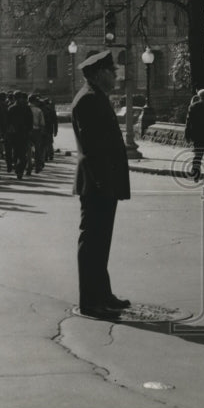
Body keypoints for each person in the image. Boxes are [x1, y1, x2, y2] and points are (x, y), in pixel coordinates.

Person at [70, 50, 131, 319]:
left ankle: (102, 293)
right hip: (97, 181)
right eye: (111, 71)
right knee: (93, 240)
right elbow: (93, 148)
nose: (116, 75)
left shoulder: (96, 97)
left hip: (103, 180)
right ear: (98, 74)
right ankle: (90, 301)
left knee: (101, 240)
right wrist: (102, 183)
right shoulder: (89, 100)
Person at [6, 92, 34, 179]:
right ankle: (20, 170)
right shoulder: (26, 108)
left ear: (14, 98)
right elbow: (30, 121)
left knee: (15, 152)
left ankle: (17, 166)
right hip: (24, 133)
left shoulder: (11, 108)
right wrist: (30, 131)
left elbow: (8, 122)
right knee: (23, 153)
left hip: (14, 134)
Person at [28, 94, 48, 173]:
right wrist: (42, 132)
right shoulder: (38, 110)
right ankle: (37, 166)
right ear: (34, 101)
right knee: (37, 149)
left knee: (28, 149)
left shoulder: (26, 109)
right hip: (36, 131)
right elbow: (42, 123)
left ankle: (28, 165)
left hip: (27, 131)